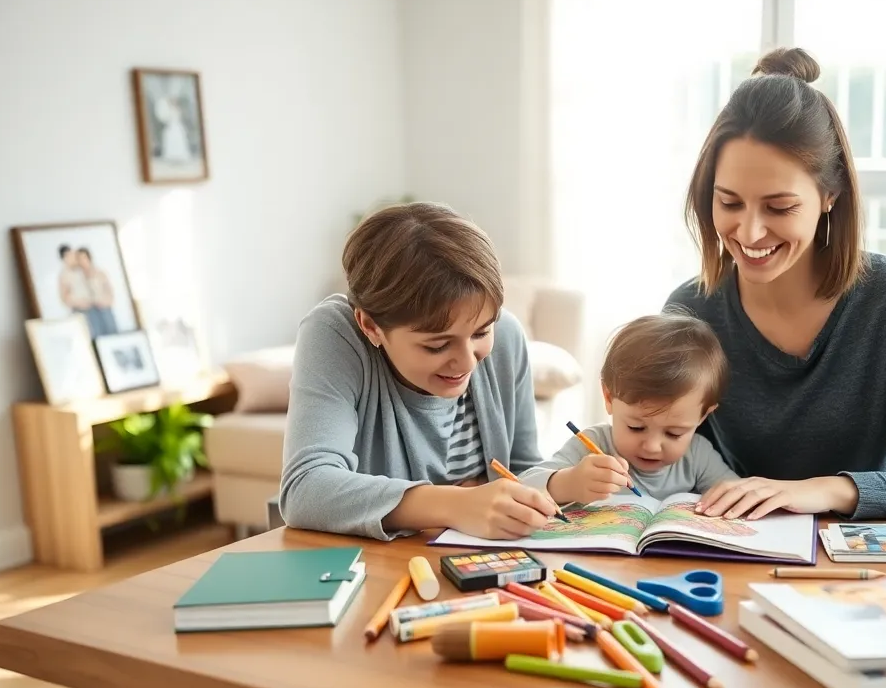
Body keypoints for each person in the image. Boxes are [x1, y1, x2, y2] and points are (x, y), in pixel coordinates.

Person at [666, 47, 886, 523]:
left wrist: (821, 491)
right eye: (729, 203)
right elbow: (672, 463)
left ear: (830, 196)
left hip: (868, 570)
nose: (749, 233)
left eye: (779, 208)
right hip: (738, 557)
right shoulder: (691, 311)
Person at [279, 202, 559, 541]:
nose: (468, 362)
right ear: (371, 326)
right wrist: (456, 504)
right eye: (437, 346)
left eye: (481, 333)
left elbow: (521, 468)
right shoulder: (336, 333)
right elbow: (306, 487)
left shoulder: (508, 335)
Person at [519, 311, 738, 503]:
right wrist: (569, 483)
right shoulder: (592, 445)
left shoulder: (698, 456)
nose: (652, 446)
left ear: (703, 415)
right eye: (636, 427)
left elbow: (737, 495)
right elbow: (520, 486)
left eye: (674, 433)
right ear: (608, 397)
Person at [76, 248, 118, 337]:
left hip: (103, 307)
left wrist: (105, 301)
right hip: (88, 310)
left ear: (89, 258)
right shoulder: (77, 276)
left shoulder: (99, 273)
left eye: (84, 257)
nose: (82, 261)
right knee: (95, 334)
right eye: (79, 258)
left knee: (111, 332)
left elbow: (109, 291)